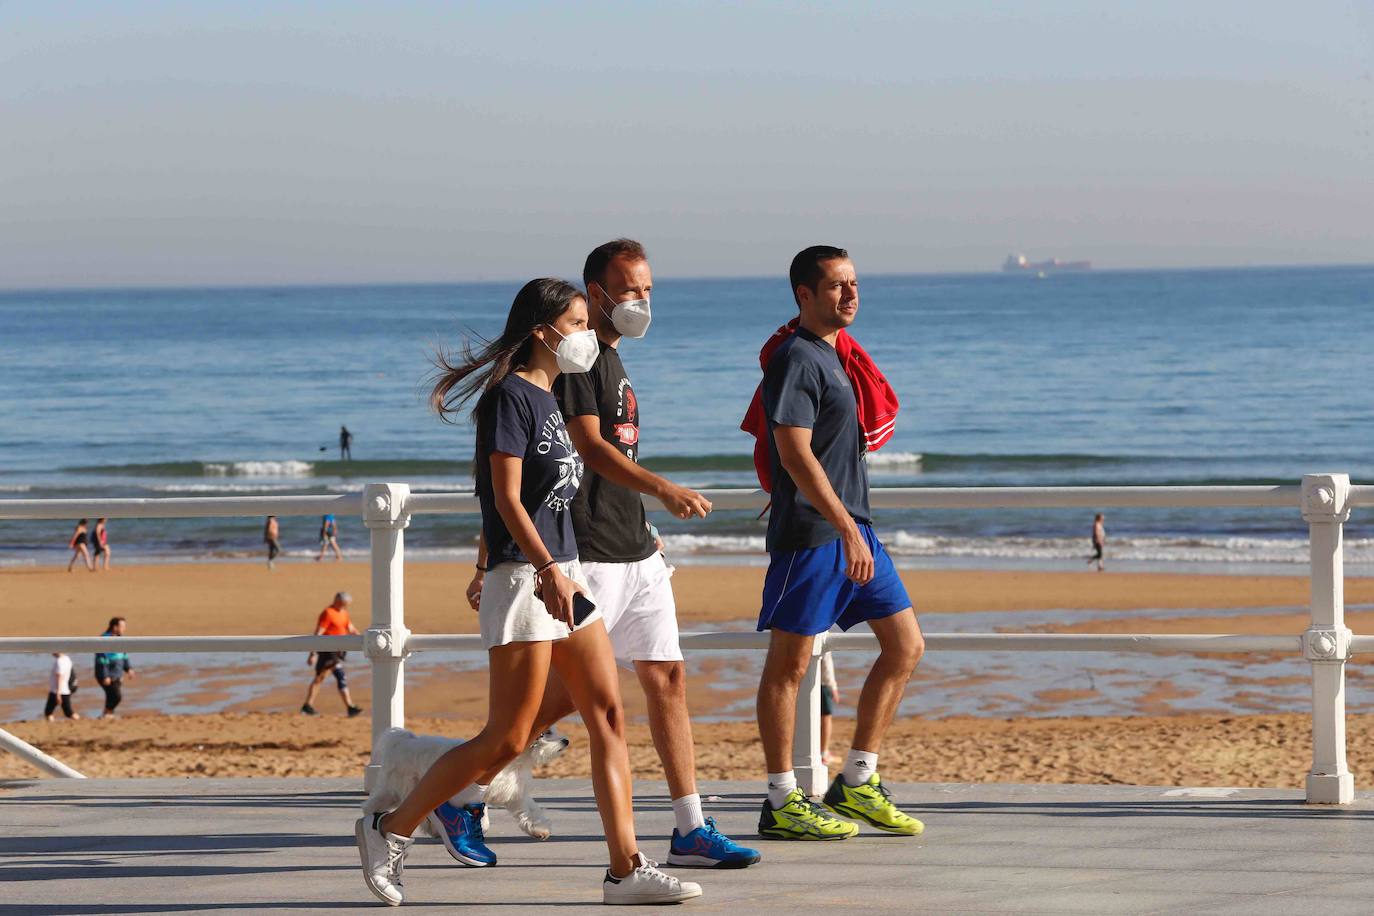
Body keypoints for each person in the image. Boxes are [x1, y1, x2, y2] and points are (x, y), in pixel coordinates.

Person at [355, 278, 700, 906]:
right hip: (525, 581)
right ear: (543, 331)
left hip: (567, 576)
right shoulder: (509, 398)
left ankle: (625, 870)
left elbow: (553, 498)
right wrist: (540, 570)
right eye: (576, 324)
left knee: (608, 716)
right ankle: (391, 828)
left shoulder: (551, 397)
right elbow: (506, 499)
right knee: (508, 738)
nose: (587, 335)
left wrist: (571, 564)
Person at [459, 239, 757, 869]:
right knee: (558, 703)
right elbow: (582, 454)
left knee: (666, 677)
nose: (640, 300)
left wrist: (643, 521)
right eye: (627, 290)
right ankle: (465, 795)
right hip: (588, 551)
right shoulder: (572, 357)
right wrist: (664, 489)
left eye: (647, 289)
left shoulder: (608, 357)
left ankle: (689, 827)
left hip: (636, 547)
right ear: (595, 293)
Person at [754, 246, 926, 841]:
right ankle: (782, 800)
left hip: (856, 530)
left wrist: (857, 529)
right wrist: (847, 529)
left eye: (853, 283)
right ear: (804, 294)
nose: (850, 294)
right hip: (813, 535)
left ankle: (856, 781)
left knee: (905, 646)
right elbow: (793, 454)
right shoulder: (796, 359)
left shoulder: (834, 354)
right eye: (836, 285)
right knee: (790, 665)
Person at [303, 592, 363, 717]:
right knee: (339, 674)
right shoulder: (328, 613)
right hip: (327, 650)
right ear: (337, 601)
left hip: (338, 651)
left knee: (320, 678)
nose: (345, 606)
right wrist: (312, 653)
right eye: (344, 604)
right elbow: (318, 633)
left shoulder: (344, 613)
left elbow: (351, 628)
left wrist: (363, 641)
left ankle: (307, 705)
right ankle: (350, 707)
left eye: (347, 604)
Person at [95, 617, 135, 718]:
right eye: (122, 626)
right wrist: (105, 676)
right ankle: (107, 713)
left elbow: (124, 656)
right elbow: (101, 659)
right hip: (106, 674)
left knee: (111, 696)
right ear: (115, 627)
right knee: (116, 696)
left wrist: (129, 669)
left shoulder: (121, 639)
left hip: (117, 673)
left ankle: (108, 715)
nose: (124, 629)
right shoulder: (104, 639)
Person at [44, 652, 79, 720]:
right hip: (64, 690)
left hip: (57, 691)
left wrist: (58, 693)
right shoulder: (67, 659)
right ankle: (78, 720)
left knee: (48, 712)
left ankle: (51, 724)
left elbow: (60, 676)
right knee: (68, 712)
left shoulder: (60, 661)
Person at [819, 651, 839, 766]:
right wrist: (833, 687)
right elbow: (827, 667)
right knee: (826, 719)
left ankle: (822, 752)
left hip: (807, 684)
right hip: (822, 685)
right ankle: (823, 753)